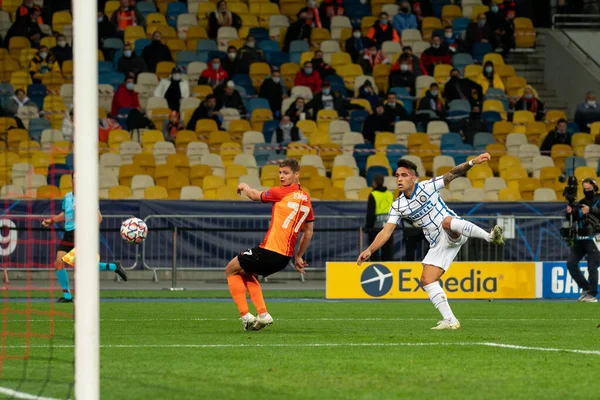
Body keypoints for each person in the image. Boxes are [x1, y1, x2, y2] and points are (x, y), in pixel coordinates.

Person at [357, 156, 505, 330]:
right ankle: (450, 320)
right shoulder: (398, 206)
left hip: (454, 230)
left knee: (446, 221)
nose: (399, 179)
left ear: (413, 178)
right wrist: (369, 250)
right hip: (437, 243)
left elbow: (453, 173)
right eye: (397, 175)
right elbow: (386, 231)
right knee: (427, 280)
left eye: (404, 175)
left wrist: (472, 162)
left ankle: (489, 236)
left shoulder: (428, 186)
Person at [228, 158, 314, 330]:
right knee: (246, 274)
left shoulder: (281, 192)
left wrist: (244, 186)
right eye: (280, 172)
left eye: (286, 173)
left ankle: (245, 316)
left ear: (297, 175)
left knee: (230, 269)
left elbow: (253, 196)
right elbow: (309, 231)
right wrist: (298, 256)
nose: (282, 176)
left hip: (271, 250)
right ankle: (262, 314)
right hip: (285, 257)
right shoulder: (306, 198)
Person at [41, 175, 128, 302]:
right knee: (59, 262)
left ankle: (114, 267)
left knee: (84, 265)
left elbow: (98, 218)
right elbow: (65, 214)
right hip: (69, 234)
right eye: (75, 177)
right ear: (72, 180)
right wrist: (51, 220)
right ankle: (67, 296)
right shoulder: (67, 197)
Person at [565, 178, 600, 302]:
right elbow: (574, 218)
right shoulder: (581, 202)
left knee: (592, 266)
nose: (587, 191)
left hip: (595, 237)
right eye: (585, 189)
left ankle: (593, 294)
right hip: (581, 238)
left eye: (589, 189)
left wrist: (590, 210)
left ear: (595, 188)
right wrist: (569, 212)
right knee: (571, 263)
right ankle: (586, 288)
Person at [365, 174, 394, 262]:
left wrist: (368, 227)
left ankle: (374, 268)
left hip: (375, 227)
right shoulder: (390, 194)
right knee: (388, 252)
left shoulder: (373, 195)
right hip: (388, 226)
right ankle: (389, 271)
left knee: (373, 250)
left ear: (374, 183)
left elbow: (371, 212)